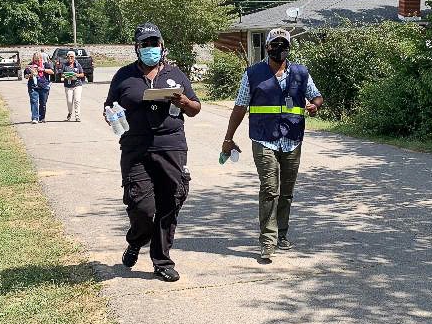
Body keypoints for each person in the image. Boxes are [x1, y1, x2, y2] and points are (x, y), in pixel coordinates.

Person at [104, 23, 201, 282]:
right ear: (137, 48)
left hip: (171, 146)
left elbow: (195, 108)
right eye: (144, 45)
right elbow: (108, 109)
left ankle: (162, 261)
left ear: (162, 46)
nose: (150, 49)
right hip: (136, 148)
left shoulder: (176, 74)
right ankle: (136, 240)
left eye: (154, 44)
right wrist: (112, 116)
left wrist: (184, 102)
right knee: (142, 207)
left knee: (170, 203)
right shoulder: (124, 76)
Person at [221, 27, 324, 261]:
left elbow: (316, 96)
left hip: (292, 138)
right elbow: (239, 107)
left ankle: (282, 234)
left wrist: (315, 106)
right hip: (263, 137)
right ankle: (268, 240)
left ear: (289, 47)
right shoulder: (252, 74)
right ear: (267, 47)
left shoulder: (300, 73)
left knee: (286, 192)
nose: (280, 48)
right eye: (275, 44)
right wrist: (228, 138)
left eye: (284, 44)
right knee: (270, 189)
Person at [24, 52, 54, 124]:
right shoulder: (30, 65)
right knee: (34, 101)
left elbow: (52, 72)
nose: (37, 62)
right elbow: (25, 76)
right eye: (35, 60)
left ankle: (41, 118)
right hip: (33, 86)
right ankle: (35, 118)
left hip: (44, 86)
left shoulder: (45, 64)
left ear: (41, 59)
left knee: (43, 103)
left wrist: (42, 69)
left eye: (38, 60)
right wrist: (31, 74)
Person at [61, 50, 85, 122]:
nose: (70, 58)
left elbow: (82, 74)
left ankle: (77, 115)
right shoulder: (64, 65)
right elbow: (61, 74)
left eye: (72, 57)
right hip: (68, 85)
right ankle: (70, 112)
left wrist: (76, 75)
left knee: (77, 100)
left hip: (77, 84)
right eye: (69, 57)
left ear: (74, 57)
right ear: (67, 57)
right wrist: (66, 76)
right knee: (69, 101)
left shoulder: (77, 65)